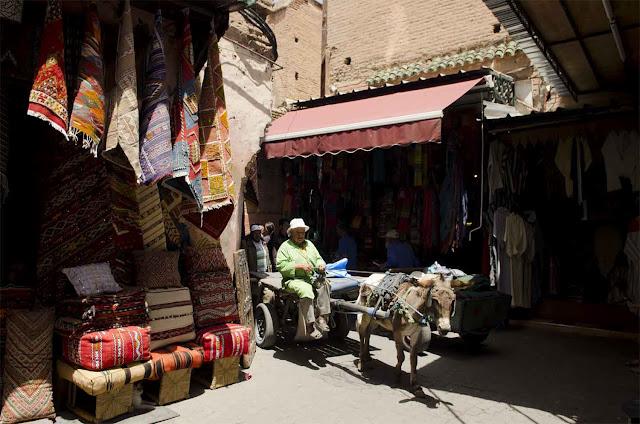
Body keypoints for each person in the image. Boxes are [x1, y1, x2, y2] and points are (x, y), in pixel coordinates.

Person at [276, 218, 330, 339]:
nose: (301, 235)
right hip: (293, 280)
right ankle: (310, 325)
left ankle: (322, 318)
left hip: (310, 277)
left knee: (324, 283)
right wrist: (298, 266)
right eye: (298, 233)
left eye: (302, 233)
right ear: (291, 233)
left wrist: (321, 265)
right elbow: (280, 266)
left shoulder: (309, 244)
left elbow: (318, 259)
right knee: (306, 290)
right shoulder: (285, 247)